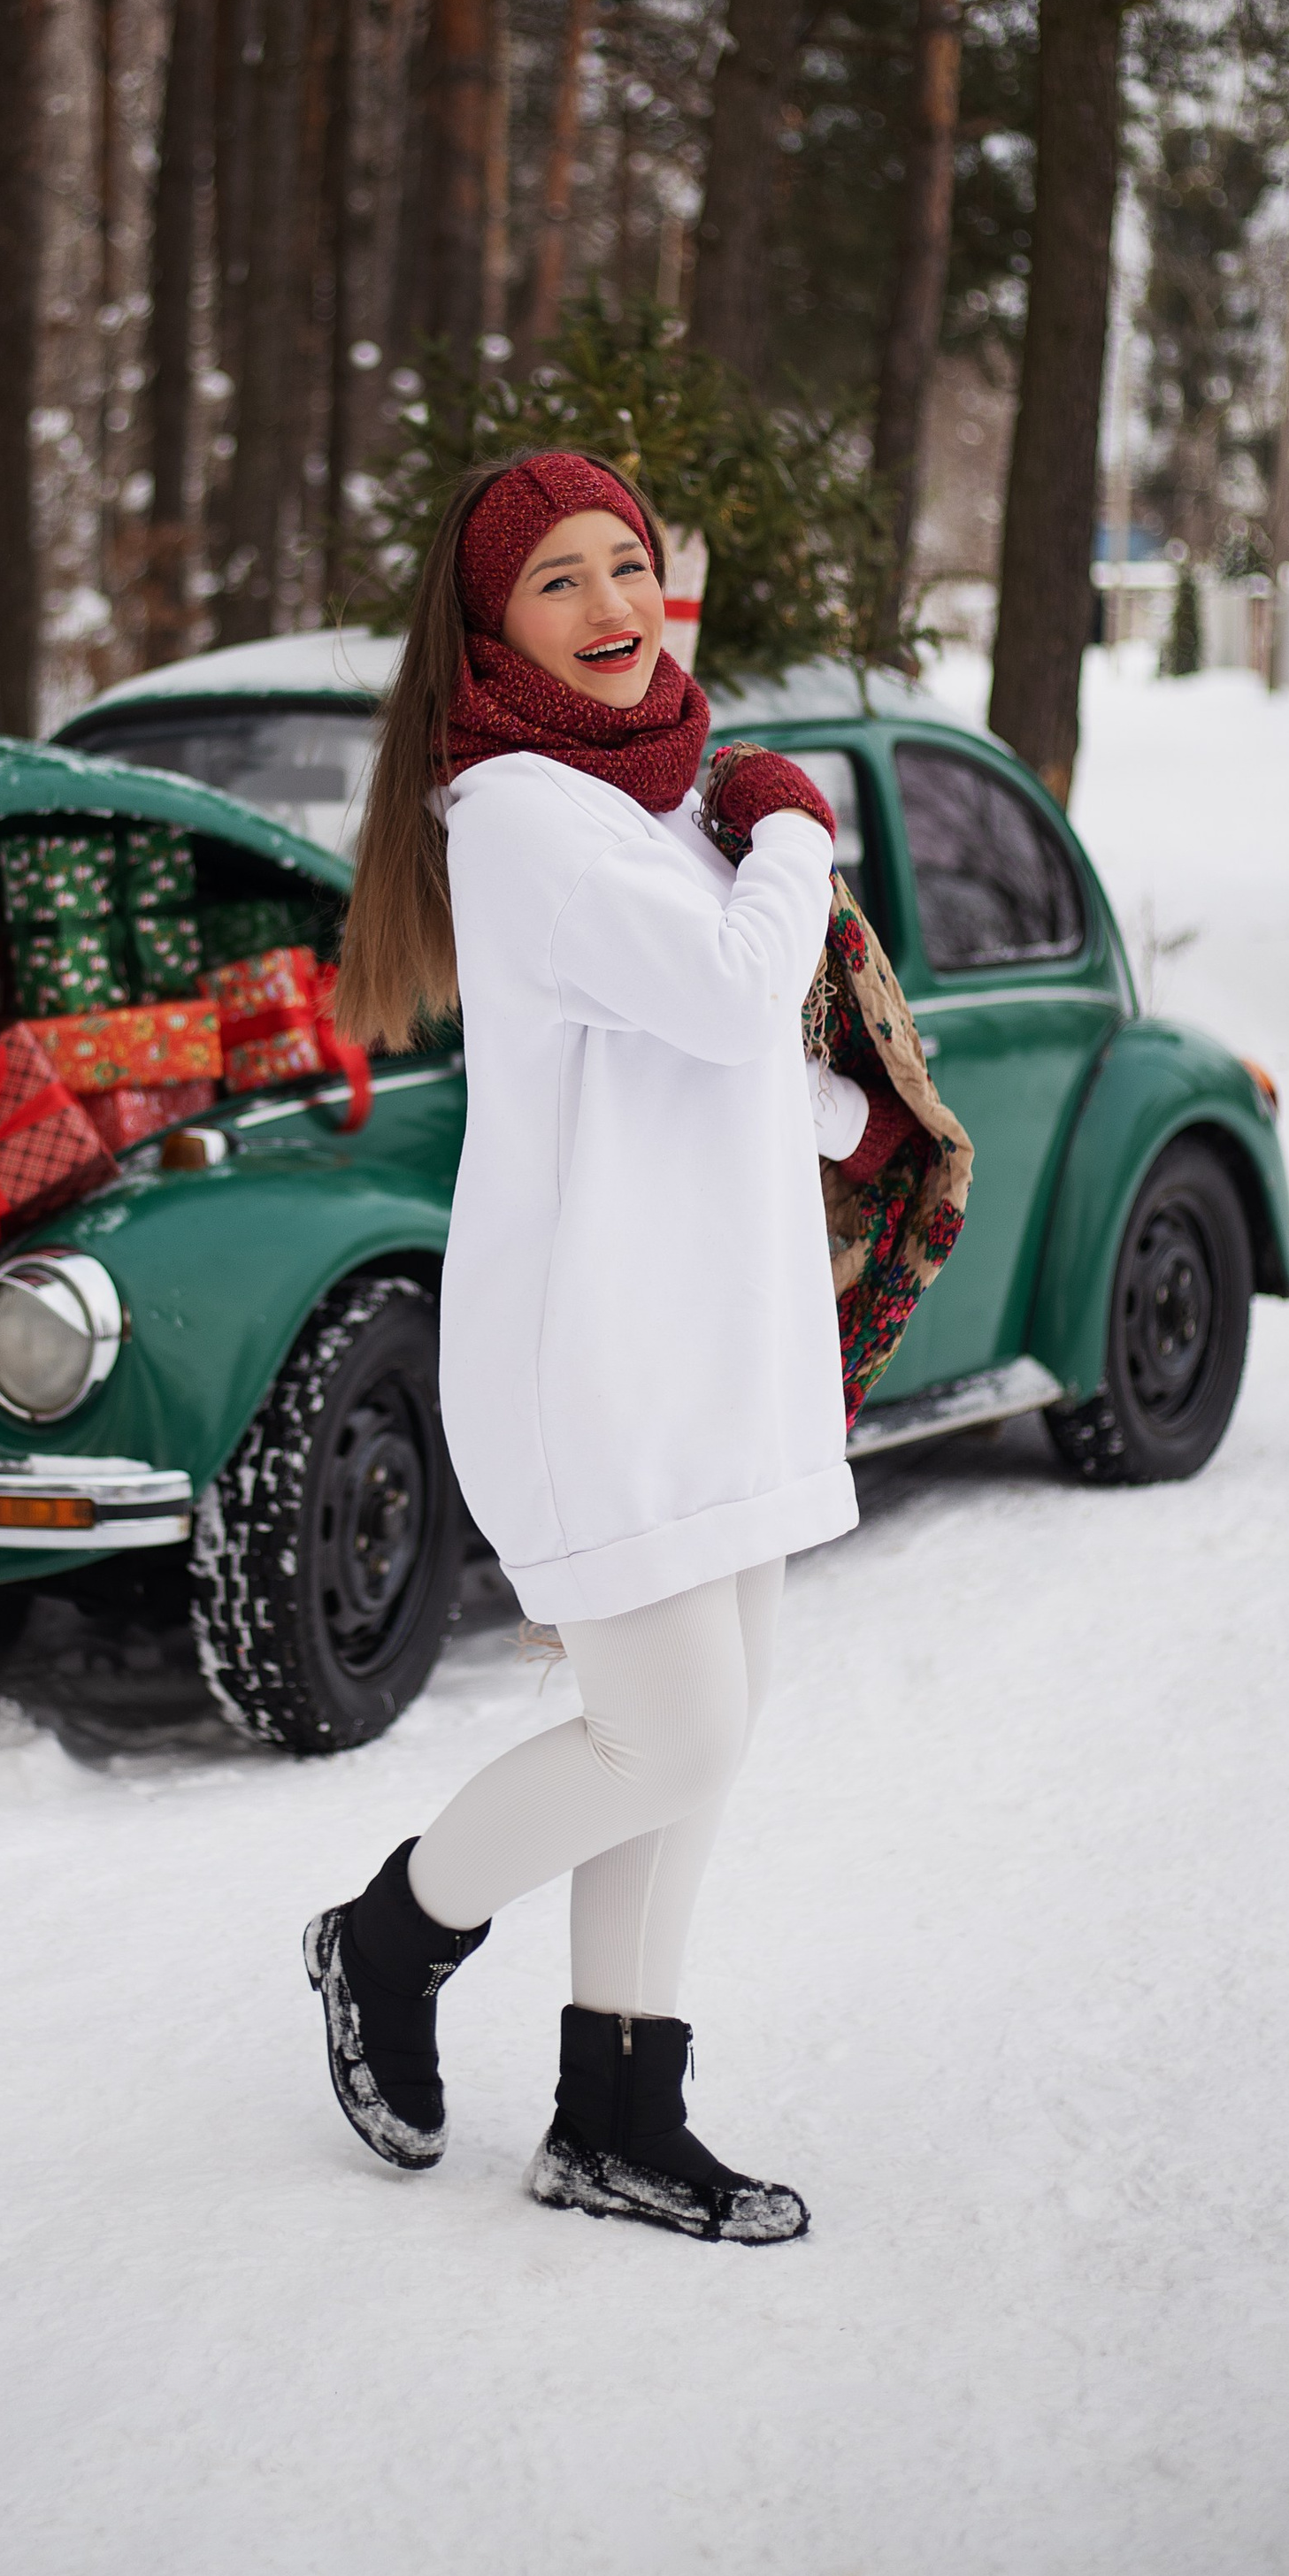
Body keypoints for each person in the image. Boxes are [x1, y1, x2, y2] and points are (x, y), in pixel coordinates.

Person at [311, 448, 899, 2245]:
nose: (611, 604)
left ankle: (618, 2112)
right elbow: (722, 982)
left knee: (700, 1741)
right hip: (597, 1360)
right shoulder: (520, 810)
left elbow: (686, 1055)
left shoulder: (635, 802)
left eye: (625, 565)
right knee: (663, 1736)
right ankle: (391, 1937)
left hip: (711, 1340)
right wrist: (794, 822)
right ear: (488, 628)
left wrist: (836, 1118)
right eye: (558, 580)